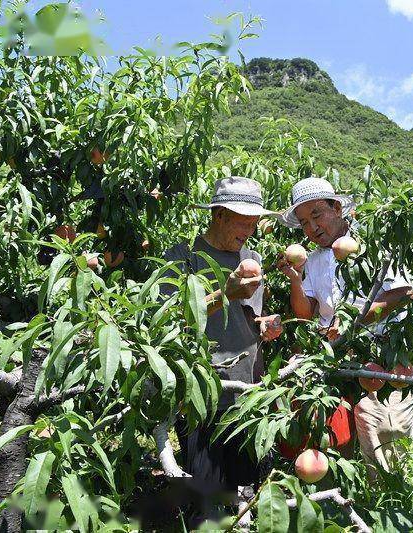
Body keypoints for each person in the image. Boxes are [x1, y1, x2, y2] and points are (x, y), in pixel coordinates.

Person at [160, 176, 283, 526]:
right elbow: (169, 319)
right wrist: (223, 295)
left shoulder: (252, 259)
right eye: (244, 219)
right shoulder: (184, 257)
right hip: (201, 393)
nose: (252, 227)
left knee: (248, 493)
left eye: (255, 219)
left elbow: (249, 317)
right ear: (219, 214)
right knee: (208, 494)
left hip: (247, 392)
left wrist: (264, 325)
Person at [276, 176, 413, 479]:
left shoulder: (371, 244)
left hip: (378, 354)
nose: (312, 228)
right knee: (337, 439)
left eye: (317, 216)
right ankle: (344, 502)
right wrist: (295, 279)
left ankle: (389, 507)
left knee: (384, 436)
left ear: (336, 208)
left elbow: (403, 292)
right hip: (333, 358)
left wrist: (354, 321)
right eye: (304, 223)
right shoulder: (312, 259)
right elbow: (307, 312)